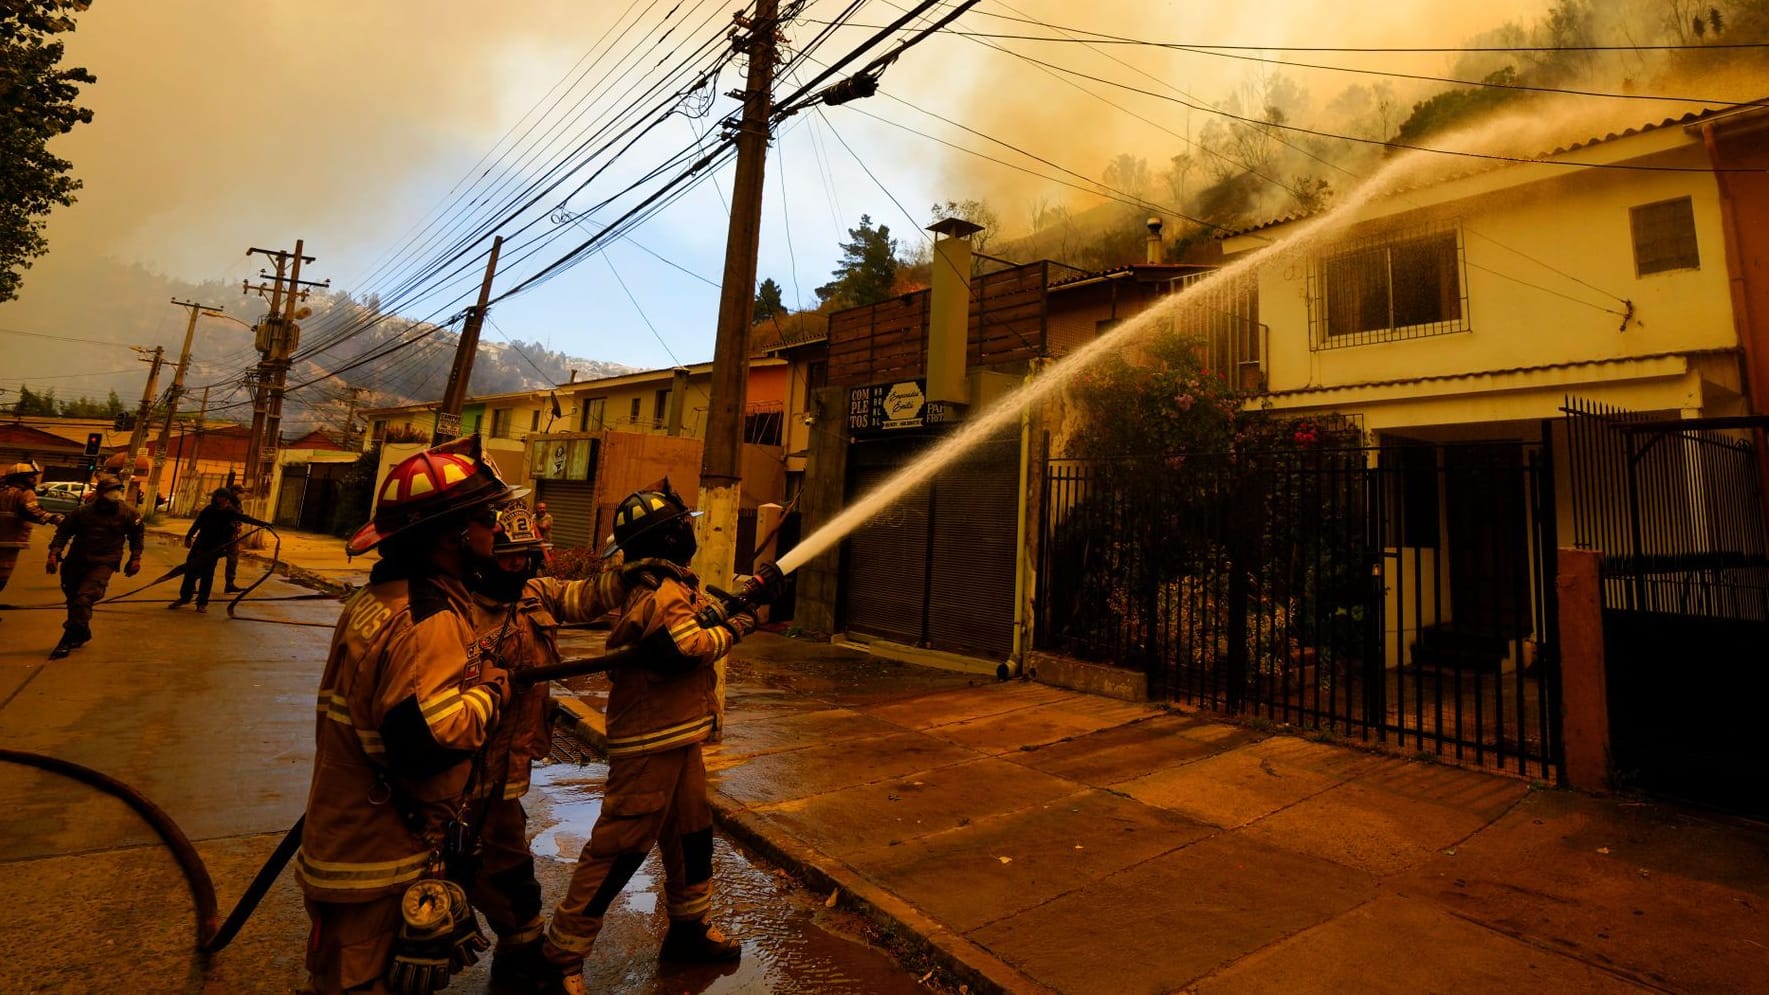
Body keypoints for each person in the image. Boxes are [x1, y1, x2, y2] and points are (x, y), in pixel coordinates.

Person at [294, 436, 518, 994]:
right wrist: (492, 691)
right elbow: (429, 743)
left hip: (346, 837)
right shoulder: (427, 619)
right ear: (452, 536)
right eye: (488, 517)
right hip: (380, 853)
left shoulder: (378, 599)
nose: (498, 530)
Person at [538, 481, 755, 994]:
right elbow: (685, 647)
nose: (691, 530)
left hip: (679, 735)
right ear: (670, 535)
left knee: (691, 834)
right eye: (683, 523)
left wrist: (733, 605)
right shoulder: (658, 590)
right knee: (621, 846)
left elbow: (690, 626)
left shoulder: (668, 582)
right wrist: (739, 626)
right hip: (649, 739)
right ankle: (561, 954)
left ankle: (688, 929)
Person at [460, 504, 631, 991]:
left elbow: (584, 597)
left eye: (525, 559)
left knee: (509, 866)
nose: (519, 568)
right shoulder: (456, 615)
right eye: (508, 559)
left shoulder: (533, 595)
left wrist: (631, 570)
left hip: (506, 772)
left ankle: (519, 959)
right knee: (449, 866)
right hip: (459, 773)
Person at [45, 474, 143, 659]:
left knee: (84, 599)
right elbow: (63, 533)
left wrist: (135, 558)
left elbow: (137, 536)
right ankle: (82, 630)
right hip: (76, 560)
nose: (114, 494)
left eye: (117, 490)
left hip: (104, 561)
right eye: (110, 490)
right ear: (99, 493)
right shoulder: (82, 512)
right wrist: (54, 553)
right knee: (74, 600)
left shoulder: (128, 513)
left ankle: (67, 638)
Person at [170, 488, 268, 612]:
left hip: (215, 548)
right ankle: (185, 597)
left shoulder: (230, 512)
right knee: (189, 571)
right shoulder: (208, 510)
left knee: (207, 575)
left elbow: (246, 518)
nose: (223, 501)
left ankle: (202, 603)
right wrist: (189, 537)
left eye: (225, 498)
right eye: (220, 497)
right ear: (217, 498)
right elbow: (197, 524)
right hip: (200, 545)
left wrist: (264, 524)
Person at [0, 461, 63, 611]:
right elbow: (32, 511)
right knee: (1, 576)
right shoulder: (24, 493)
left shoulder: (3, 490)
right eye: (31, 476)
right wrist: (55, 519)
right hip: (9, 541)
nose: (34, 480)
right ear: (20, 477)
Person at [224, 483, 248, 593]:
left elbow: (239, 517)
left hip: (232, 536)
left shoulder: (238, 504)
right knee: (209, 559)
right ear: (234, 492)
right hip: (221, 535)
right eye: (240, 492)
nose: (242, 495)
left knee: (233, 560)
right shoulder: (226, 502)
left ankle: (229, 584)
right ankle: (193, 581)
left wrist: (237, 526)